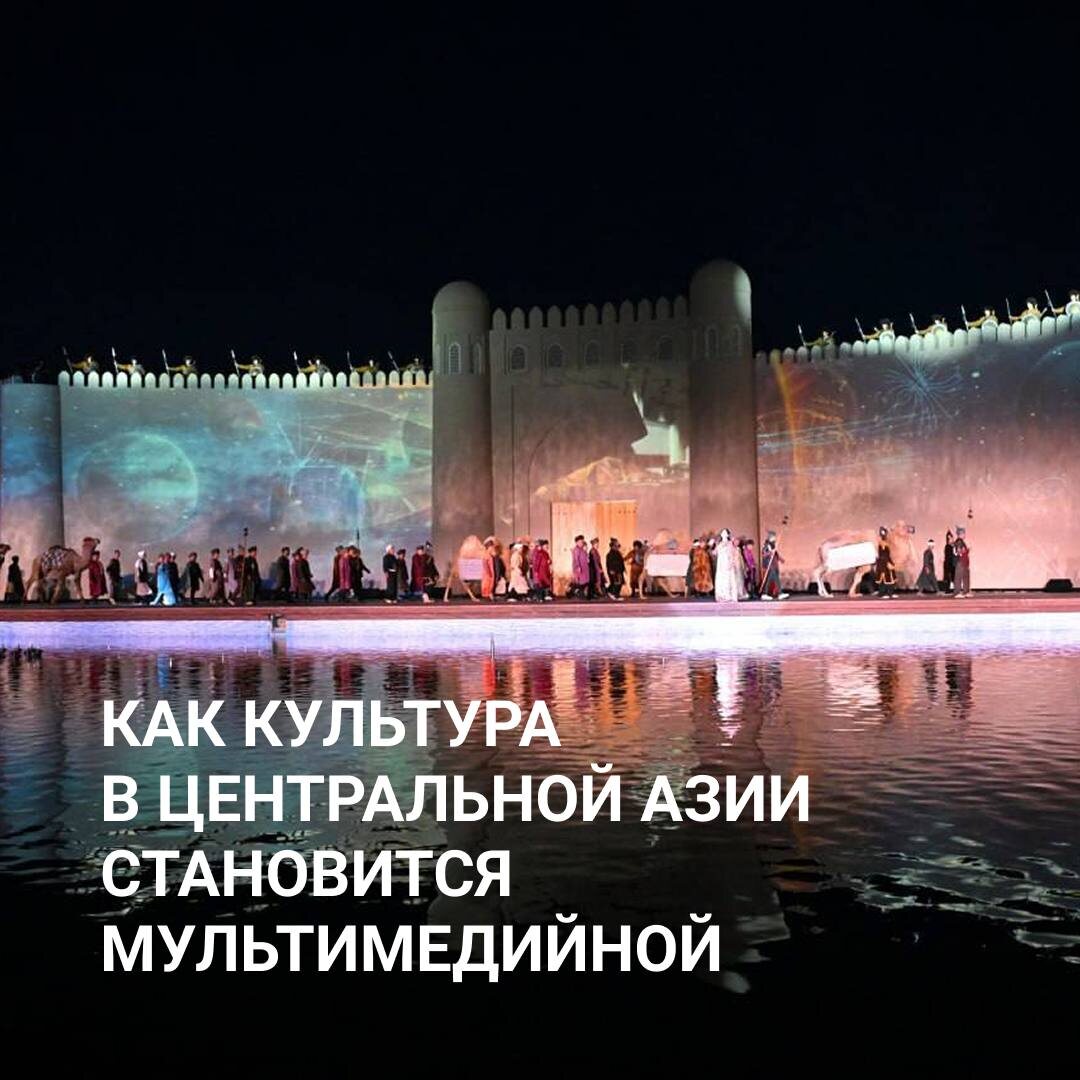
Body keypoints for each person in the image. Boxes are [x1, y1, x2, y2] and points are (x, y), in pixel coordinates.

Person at [714, 528, 745, 603]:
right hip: (721, 564)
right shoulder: (719, 544)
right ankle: (722, 596)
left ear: (728, 535)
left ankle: (728, 595)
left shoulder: (730, 543)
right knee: (721, 579)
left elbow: (732, 554)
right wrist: (713, 545)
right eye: (722, 533)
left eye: (725, 533)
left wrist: (732, 563)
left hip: (727, 563)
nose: (723, 534)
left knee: (728, 579)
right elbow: (715, 553)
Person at [760, 531, 787, 600]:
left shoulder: (773, 545)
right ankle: (779, 593)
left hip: (774, 565)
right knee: (774, 579)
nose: (774, 538)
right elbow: (764, 554)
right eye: (773, 537)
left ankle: (765, 593)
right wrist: (770, 553)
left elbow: (776, 554)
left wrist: (781, 559)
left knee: (771, 579)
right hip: (769, 565)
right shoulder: (766, 545)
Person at [873, 525, 897, 598]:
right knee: (883, 577)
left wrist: (891, 562)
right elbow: (882, 555)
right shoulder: (881, 543)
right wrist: (887, 563)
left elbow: (888, 554)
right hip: (883, 563)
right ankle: (882, 593)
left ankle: (890, 593)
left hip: (887, 561)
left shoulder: (887, 542)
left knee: (890, 577)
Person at [953, 528, 972, 597]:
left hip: (965, 562)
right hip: (960, 562)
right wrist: (965, 550)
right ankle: (957, 592)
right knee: (959, 577)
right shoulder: (959, 541)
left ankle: (966, 592)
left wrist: (967, 550)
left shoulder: (962, 542)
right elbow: (959, 551)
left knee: (966, 577)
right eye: (963, 533)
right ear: (960, 534)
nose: (964, 535)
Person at [569, 535, 589, 599]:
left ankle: (579, 593)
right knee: (580, 582)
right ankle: (575, 593)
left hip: (584, 568)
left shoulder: (582, 549)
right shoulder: (576, 550)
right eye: (580, 542)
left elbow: (585, 557)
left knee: (584, 582)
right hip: (579, 568)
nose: (581, 543)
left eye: (582, 542)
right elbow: (576, 559)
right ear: (577, 542)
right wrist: (578, 566)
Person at [943, 529, 956, 593]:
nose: (952, 540)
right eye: (950, 539)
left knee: (953, 577)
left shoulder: (953, 546)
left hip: (952, 564)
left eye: (952, 538)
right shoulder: (947, 547)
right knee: (949, 577)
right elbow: (948, 557)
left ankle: (953, 589)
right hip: (949, 564)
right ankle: (948, 589)